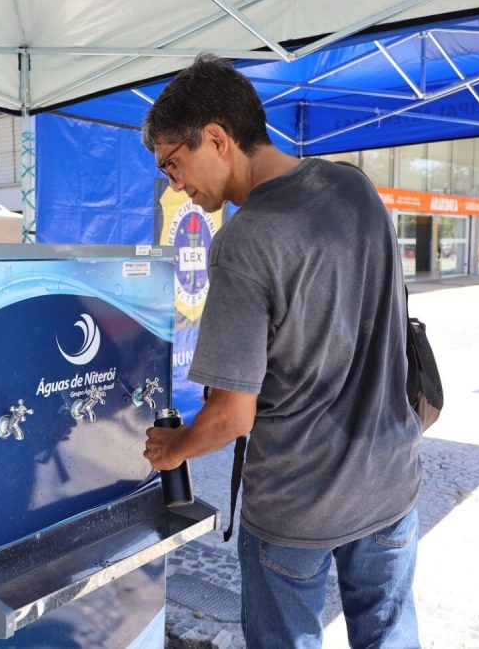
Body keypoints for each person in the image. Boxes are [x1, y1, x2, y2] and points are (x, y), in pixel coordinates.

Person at [140, 55, 421, 648]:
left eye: (173, 163)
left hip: (297, 508)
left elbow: (229, 417)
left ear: (216, 138)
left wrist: (171, 450)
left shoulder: (245, 241)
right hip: (391, 481)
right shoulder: (355, 185)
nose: (176, 183)